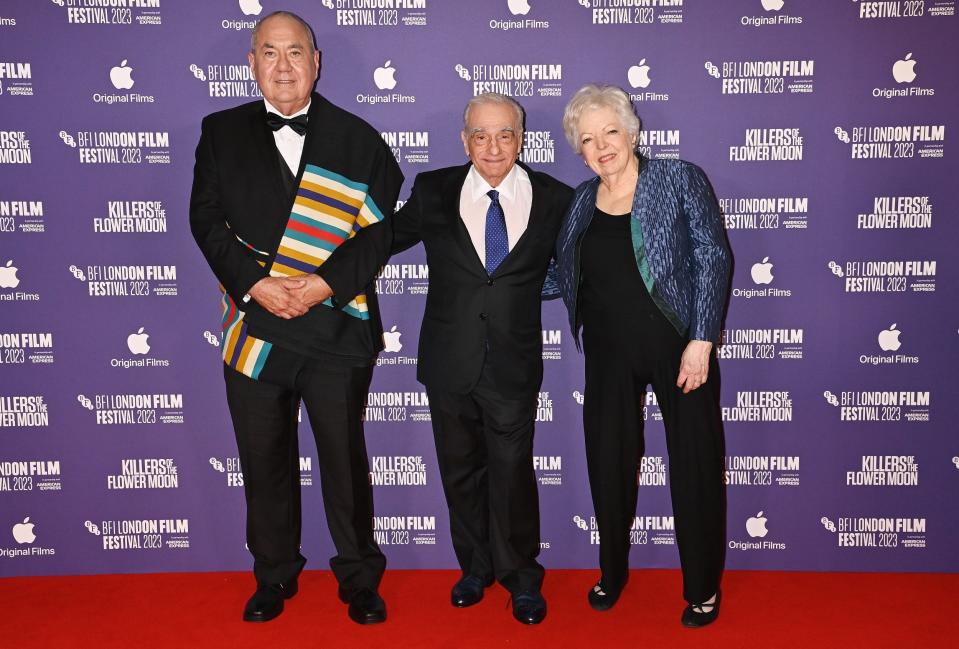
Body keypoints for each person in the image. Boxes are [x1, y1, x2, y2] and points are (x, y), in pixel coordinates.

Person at [189, 11, 403, 625]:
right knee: (264, 462)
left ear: (316, 60)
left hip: (333, 326)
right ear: (251, 62)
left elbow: (379, 234)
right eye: (269, 52)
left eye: (295, 52)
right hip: (256, 328)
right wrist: (257, 285)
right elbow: (205, 220)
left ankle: (360, 578)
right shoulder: (220, 131)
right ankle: (274, 575)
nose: (283, 66)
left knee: (344, 461)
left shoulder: (358, 138)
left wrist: (322, 285)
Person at [391, 93, 573, 625]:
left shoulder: (556, 197)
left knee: (513, 473)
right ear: (464, 139)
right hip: (449, 361)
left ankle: (520, 577)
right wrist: (316, 275)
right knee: (460, 471)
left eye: (505, 134)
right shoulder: (433, 190)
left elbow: (586, 265)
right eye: (481, 135)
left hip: (513, 365)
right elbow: (382, 240)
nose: (493, 146)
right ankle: (474, 568)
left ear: (522, 138)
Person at [554, 84, 730, 628]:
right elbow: (562, 275)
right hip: (606, 351)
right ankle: (612, 572)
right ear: (578, 151)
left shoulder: (678, 178)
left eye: (610, 131)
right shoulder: (582, 198)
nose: (601, 145)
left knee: (694, 468)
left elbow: (712, 255)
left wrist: (701, 339)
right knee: (608, 463)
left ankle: (702, 587)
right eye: (587, 139)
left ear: (631, 132)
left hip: (680, 347)